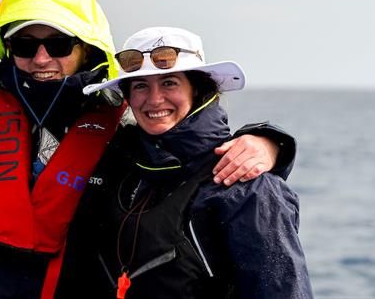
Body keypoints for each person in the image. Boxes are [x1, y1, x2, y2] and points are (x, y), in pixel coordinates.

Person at [0, 0, 297, 299]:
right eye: (24, 43)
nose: (41, 58)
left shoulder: (124, 122)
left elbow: (186, 157)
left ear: (86, 48)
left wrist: (269, 142)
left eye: (58, 43)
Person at [56, 27, 312, 298]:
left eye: (169, 83)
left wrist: (273, 143)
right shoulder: (118, 168)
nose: (154, 99)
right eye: (141, 85)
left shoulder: (247, 187)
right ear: (128, 97)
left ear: (198, 89)